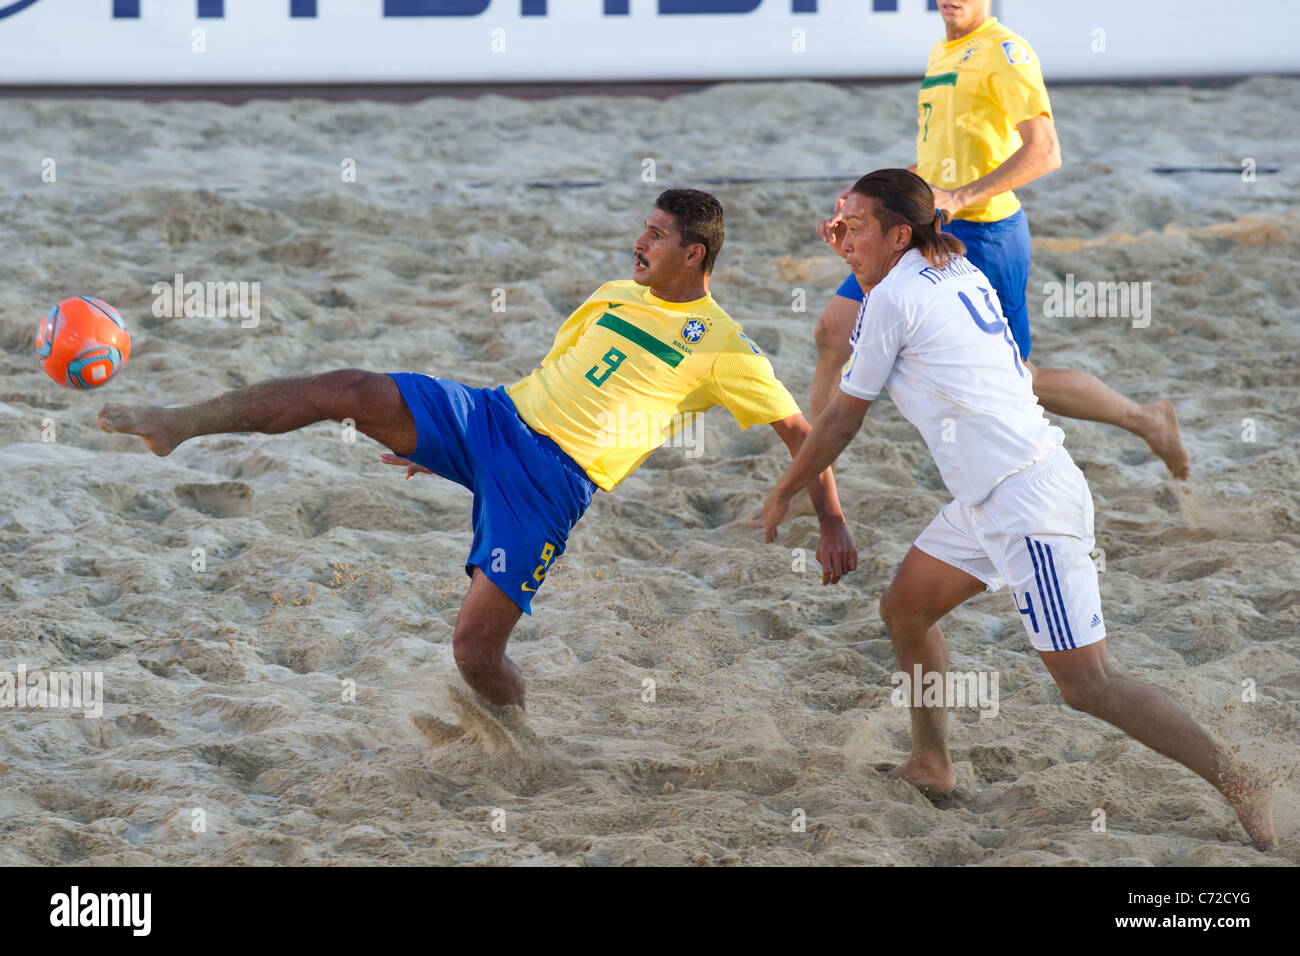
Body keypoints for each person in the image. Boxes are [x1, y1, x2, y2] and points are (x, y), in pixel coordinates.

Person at [99, 188, 858, 715]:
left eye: (656, 236)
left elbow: (805, 433)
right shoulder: (613, 293)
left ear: (694, 255)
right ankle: (179, 422)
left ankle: (514, 734)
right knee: (352, 388)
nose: (639, 242)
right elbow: (549, 374)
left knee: (474, 652)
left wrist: (828, 519)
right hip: (492, 418)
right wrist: (443, 445)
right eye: (644, 229)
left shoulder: (726, 347)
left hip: (552, 483)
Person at [762, 169, 1275, 851]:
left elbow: (839, 423)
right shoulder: (949, 267)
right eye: (839, 220)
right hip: (989, 496)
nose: (838, 233)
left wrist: (784, 489)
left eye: (852, 224)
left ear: (898, 233)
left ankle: (1240, 780)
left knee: (1088, 684)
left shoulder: (893, 299)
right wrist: (861, 250)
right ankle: (931, 763)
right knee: (906, 611)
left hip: (1026, 503)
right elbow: (899, 305)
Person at [809, 0, 1190, 480]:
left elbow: (1046, 152)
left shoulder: (1005, 51)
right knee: (832, 333)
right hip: (934, 221)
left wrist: (960, 197)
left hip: (985, 233)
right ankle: (815, 486)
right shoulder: (943, 51)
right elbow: (939, 162)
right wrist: (870, 196)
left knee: (1020, 378)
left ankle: (1146, 419)